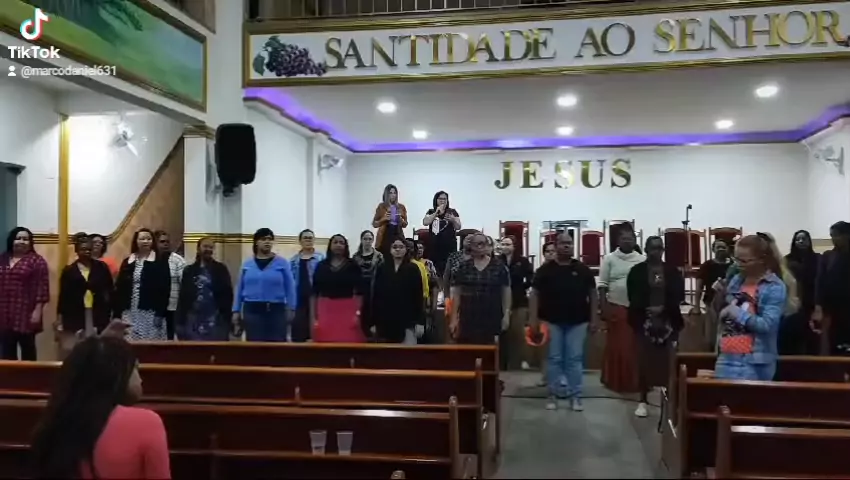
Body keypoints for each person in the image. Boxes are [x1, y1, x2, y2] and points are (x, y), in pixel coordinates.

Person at [30, 336, 170, 479]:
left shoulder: (57, 420)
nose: (140, 379)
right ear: (118, 375)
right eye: (136, 368)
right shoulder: (146, 422)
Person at [530, 232, 597, 411]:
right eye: (562, 243)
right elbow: (534, 294)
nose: (566, 246)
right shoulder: (545, 270)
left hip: (578, 322)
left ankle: (576, 397)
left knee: (574, 359)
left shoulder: (582, 269)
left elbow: (593, 294)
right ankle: (552, 395)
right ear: (556, 245)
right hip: (551, 321)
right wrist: (533, 319)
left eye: (569, 243)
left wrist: (594, 319)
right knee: (554, 359)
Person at [714, 235, 787, 380]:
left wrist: (738, 313)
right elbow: (724, 315)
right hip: (726, 355)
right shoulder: (737, 280)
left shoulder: (774, 286)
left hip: (753, 361)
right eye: (736, 259)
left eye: (744, 261)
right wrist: (720, 295)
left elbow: (767, 325)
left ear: (761, 260)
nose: (738, 265)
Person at [627, 236, 684, 418]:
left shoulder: (672, 271)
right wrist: (648, 309)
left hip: (669, 322)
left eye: (659, 248)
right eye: (652, 248)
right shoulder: (636, 271)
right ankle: (643, 401)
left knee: (669, 362)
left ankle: (669, 400)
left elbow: (679, 295)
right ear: (645, 250)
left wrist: (663, 308)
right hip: (644, 321)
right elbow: (632, 295)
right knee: (644, 361)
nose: (656, 251)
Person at [598, 226, 645, 395]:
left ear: (635, 240)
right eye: (624, 239)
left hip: (637, 308)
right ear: (618, 241)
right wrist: (604, 308)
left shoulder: (641, 259)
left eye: (630, 239)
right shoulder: (609, 259)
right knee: (619, 346)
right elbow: (602, 286)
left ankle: (634, 382)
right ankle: (616, 381)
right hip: (616, 306)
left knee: (634, 347)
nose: (627, 241)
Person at [232, 228, 297, 342]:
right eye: (263, 239)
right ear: (256, 242)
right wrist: (236, 310)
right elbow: (239, 288)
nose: (267, 242)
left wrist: (291, 308)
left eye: (270, 239)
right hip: (252, 309)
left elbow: (290, 287)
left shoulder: (282, 263)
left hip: (276, 310)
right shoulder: (247, 264)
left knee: (277, 344)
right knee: (255, 344)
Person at [56, 236, 114, 358]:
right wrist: (60, 318)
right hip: (76, 312)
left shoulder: (101, 267)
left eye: (89, 249)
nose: (86, 252)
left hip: (98, 311)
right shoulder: (69, 271)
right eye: (83, 249)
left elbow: (110, 289)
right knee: (78, 346)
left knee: (97, 345)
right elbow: (64, 296)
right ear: (77, 251)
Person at [450, 233, 511, 344]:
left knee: (491, 350)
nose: (480, 247)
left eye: (483, 244)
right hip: (468, 317)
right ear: (471, 246)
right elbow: (457, 293)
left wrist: (506, 314)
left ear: (487, 246)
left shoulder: (499, 266)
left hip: (492, 316)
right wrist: (454, 318)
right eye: (477, 244)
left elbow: (506, 292)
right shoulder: (463, 267)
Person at [0, 227, 49, 360]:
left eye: (25, 239)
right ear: (12, 241)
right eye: (18, 238)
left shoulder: (37, 261)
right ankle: (10, 374)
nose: (21, 241)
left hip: (26, 312)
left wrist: (37, 311)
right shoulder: (3, 258)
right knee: (7, 351)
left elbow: (42, 287)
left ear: (30, 242)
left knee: (28, 350)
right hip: (4, 311)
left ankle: (30, 374)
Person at [114, 229, 172, 342]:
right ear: (136, 241)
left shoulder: (160, 261)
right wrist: (117, 312)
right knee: (129, 340)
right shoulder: (128, 261)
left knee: (151, 342)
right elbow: (120, 288)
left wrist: (160, 313)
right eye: (142, 239)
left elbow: (165, 288)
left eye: (148, 239)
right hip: (129, 310)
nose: (145, 241)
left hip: (150, 311)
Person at [366, 237, 425, 344]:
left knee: (407, 353)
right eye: (395, 247)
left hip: (408, 320)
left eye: (401, 247)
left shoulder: (413, 268)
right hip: (384, 320)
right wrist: (373, 322)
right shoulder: (382, 268)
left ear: (406, 249)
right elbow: (376, 296)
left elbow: (418, 296)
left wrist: (420, 322)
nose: (398, 249)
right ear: (390, 249)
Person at [175, 237, 233, 341]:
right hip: (193, 319)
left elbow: (228, 295)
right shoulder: (189, 270)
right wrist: (180, 321)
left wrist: (228, 318)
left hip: (216, 319)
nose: (208, 249)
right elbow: (183, 297)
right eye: (205, 246)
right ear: (198, 249)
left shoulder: (221, 269)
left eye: (211, 247)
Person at [312, 234, 366, 343]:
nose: (338, 245)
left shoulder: (353, 265)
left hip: (347, 310)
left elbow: (360, 292)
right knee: (325, 341)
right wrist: (314, 316)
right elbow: (314, 293)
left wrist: (358, 313)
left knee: (348, 341)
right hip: (326, 310)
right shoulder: (321, 266)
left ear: (346, 246)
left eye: (342, 243)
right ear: (330, 246)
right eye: (335, 242)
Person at [813, 221, 850, 355]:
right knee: (834, 344)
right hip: (833, 310)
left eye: (837, 235)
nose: (834, 239)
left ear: (847, 235)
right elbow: (820, 281)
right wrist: (818, 306)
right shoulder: (828, 257)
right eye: (832, 235)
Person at [781, 230, 821, 354]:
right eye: (798, 239)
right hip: (793, 302)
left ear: (809, 241)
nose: (801, 241)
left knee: (812, 338)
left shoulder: (818, 259)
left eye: (804, 239)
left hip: (812, 301)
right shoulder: (787, 260)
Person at [500, 235, 534, 371]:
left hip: (519, 300)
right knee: (504, 333)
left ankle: (520, 361)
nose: (505, 247)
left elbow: (531, 278)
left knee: (518, 333)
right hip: (502, 301)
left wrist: (522, 287)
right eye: (503, 244)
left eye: (508, 244)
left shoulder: (522, 261)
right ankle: (503, 363)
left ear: (514, 247)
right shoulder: (497, 261)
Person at [691, 239, 733, 350]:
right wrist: (696, 306)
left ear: (728, 249)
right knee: (711, 336)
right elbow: (699, 286)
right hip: (711, 303)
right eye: (718, 247)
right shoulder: (707, 265)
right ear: (713, 250)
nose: (721, 249)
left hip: (730, 304)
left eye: (723, 247)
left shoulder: (733, 266)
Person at [290, 229, 324, 342]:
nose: (308, 240)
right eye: (305, 238)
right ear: (300, 241)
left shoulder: (321, 258)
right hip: (298, 299)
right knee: (299, 328)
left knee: (315, 327)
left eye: (310, 238)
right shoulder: (293, 260)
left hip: (316, 297)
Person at [154, 231, 185, 341]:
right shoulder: (150, 260)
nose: (166, 244)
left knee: (171, 339)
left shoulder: (177, 260)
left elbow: (184, 284)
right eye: (162, 242)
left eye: (167, 242)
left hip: (173, 307)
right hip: (154, 307)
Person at [422, 191, 461, 276]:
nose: (442, 201)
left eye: (445, 199)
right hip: (434, 246)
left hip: (449, 245)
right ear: (436, 200)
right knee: (435, 271)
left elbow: (458, 227)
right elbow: (425, 222)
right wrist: (436, 212)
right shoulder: (431, 211)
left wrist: (453, 220)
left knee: (449, 270)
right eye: (440, 199)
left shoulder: (452, 212)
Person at [372, 184, 408, 257]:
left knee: (400, 254)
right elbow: (374, 224)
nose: (393, 195)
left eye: (395, 193)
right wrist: (384, 218)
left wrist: (401, 220)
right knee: (386, 255)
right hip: (385, 233)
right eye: (391, 193)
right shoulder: (381, 206)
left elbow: (405, 224)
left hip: (398, 232)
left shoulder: (401, 207)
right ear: (386, 194)